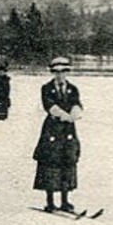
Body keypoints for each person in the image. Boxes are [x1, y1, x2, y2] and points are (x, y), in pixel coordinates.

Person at [33, 57, 83, 212]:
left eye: (63, 72)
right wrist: (63, 115)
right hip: (52, 129)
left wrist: (75, 112)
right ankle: (50, 201)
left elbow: (77, 103)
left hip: (68, 130)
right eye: (57, 72)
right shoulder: (46, 88)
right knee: (50, 161)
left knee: (67, 161)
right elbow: (49, 105)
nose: (60, 75)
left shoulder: (72, 88)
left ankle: (65, 201)